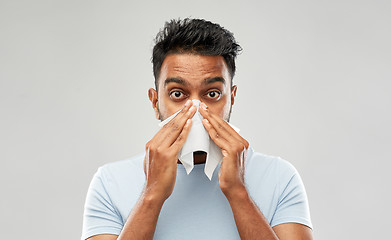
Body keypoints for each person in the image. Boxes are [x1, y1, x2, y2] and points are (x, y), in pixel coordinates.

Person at [81, 18, 313, 240]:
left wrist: (238, 192)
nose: (195, 109)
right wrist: (152, 195)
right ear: (155, 102)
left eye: (212, 94)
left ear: (231, 99)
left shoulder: (280, 177)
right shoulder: (110, 182)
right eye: (177, 94)